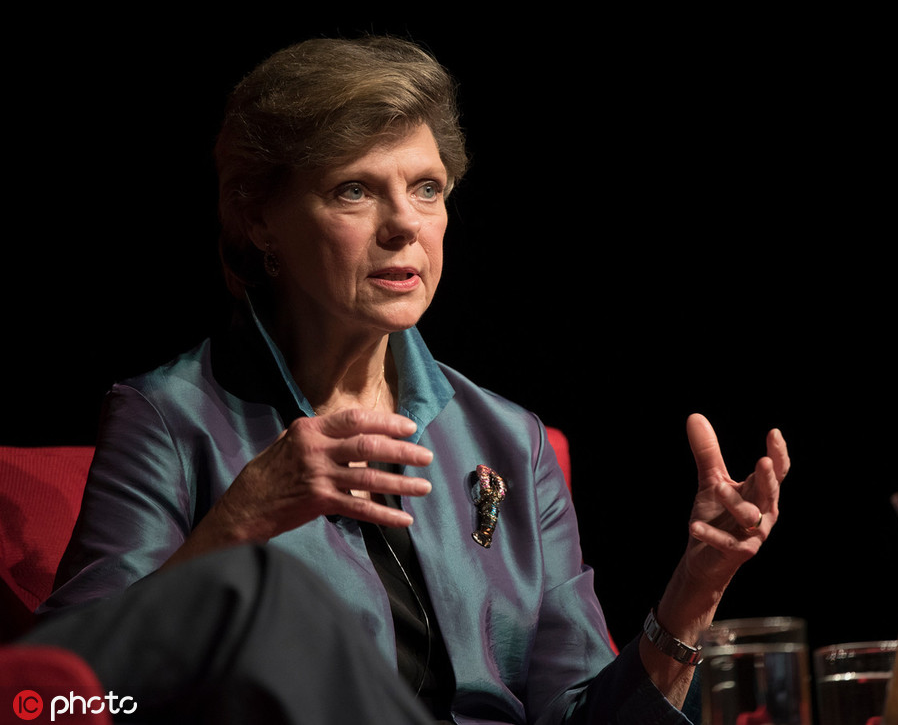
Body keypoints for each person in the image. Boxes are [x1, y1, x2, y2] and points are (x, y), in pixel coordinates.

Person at [32, 36, 790, 723]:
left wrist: (695, 591)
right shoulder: (170, 419)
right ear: (258, 218)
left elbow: (577, 717)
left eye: (427, 188)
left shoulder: (510, 441)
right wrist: (237, 526)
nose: (405, 225)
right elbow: (56, 699)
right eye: (354, 190)